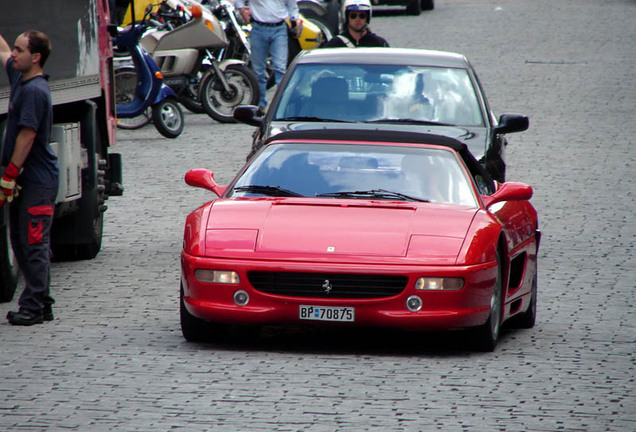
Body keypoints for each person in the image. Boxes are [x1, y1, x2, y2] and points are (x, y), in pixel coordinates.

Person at [0, 30, 59, 326]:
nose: (14, 55)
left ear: (35, 58)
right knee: (22, 242)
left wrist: (10, 174)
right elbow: (2, 51)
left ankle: (34, 307)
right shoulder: (20, 76)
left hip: (36, 180)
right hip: (28, 179)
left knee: (34, 243)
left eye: (20, 51)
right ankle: (42, 302)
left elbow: (27, 134)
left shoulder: (35, 91)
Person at [234, 0, 300, 114]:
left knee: (280, 68)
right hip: (259, 28)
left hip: (279, 27)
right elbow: (238, 2)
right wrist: (245, 16)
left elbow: (292, 5)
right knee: (258, 70)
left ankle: (282, 105)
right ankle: (261, 104)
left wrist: (295, 20)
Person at [323, 0, 389, 48]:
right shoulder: (335, 44)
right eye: (353, 16)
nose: (358, 19)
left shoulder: (379, 44)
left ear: (367, 17)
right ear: (346, 17)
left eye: (362, 16)